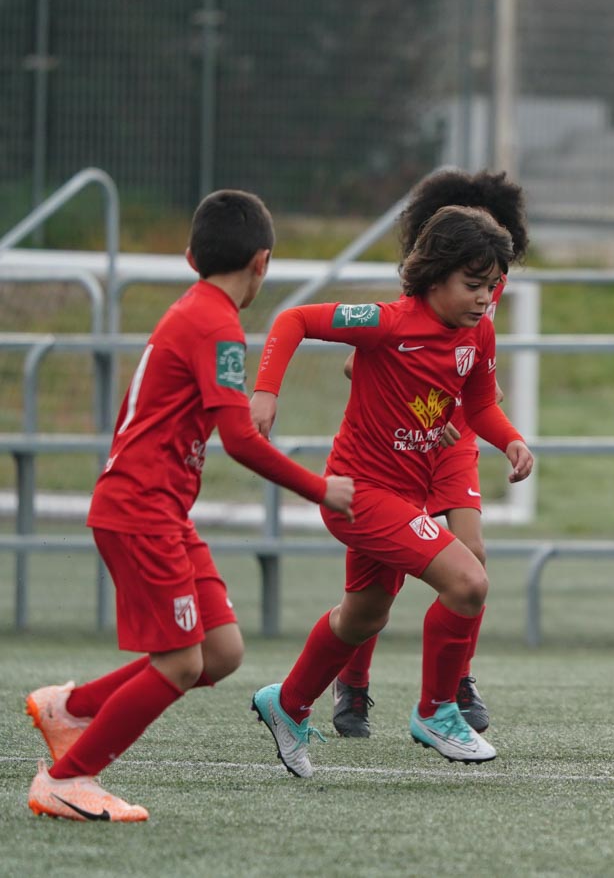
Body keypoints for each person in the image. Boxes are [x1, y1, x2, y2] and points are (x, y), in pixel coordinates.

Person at [24, 190, 356, 822]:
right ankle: (68, 778)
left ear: (189, 257)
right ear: (262, 262)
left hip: (159, 509)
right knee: (179, 662)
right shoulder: (217, 325)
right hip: (141, 510)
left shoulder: (195, 311)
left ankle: (73, 708)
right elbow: (240, 441)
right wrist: (322, 488)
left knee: (220, 651)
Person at [248, 205, 533, 778]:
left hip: (409, 494)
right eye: (473, 285)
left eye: (493, 287)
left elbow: (478, 404)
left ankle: (290, 702)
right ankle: (437, 709)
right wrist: (265, 391)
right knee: (469, 579)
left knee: (363, 616)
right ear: (434, 274)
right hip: (360, 494)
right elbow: (294, 320)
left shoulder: (478, 330)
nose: (484, 299)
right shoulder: (387, 322)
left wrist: (511, 441)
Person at [329, 169, 528, 739]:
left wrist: (466, 413)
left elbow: (471, 370)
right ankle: (354, 680)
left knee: (472, 554)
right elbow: (365, 363)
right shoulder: (428, 292)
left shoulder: (490, 280)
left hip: (453, 435)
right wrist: (424, 407)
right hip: (406, 438)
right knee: (381, 564)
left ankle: (455, 681)